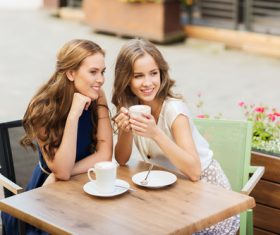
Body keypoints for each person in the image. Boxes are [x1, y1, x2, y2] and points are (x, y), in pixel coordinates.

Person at [112, 38, 239, 234]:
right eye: (138, 76)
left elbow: (194, 171)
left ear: (161, 74)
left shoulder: (174, 111)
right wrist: (125, 130)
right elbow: (121, 159)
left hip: (207, 193)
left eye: (153, 73)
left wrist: (156, 133)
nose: (148, 83)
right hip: (171, 191)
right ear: (126, 79)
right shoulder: (133, 108)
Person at [1, 39, 113, 235]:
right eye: (93, 72)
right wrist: (73, 115)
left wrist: (68, 172)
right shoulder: (43, 107)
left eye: (102, 72)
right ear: (71, 73)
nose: (101, 80)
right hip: (47, 193)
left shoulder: (98, 96)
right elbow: (61, 169)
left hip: (83, 182)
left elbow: (105, 155)